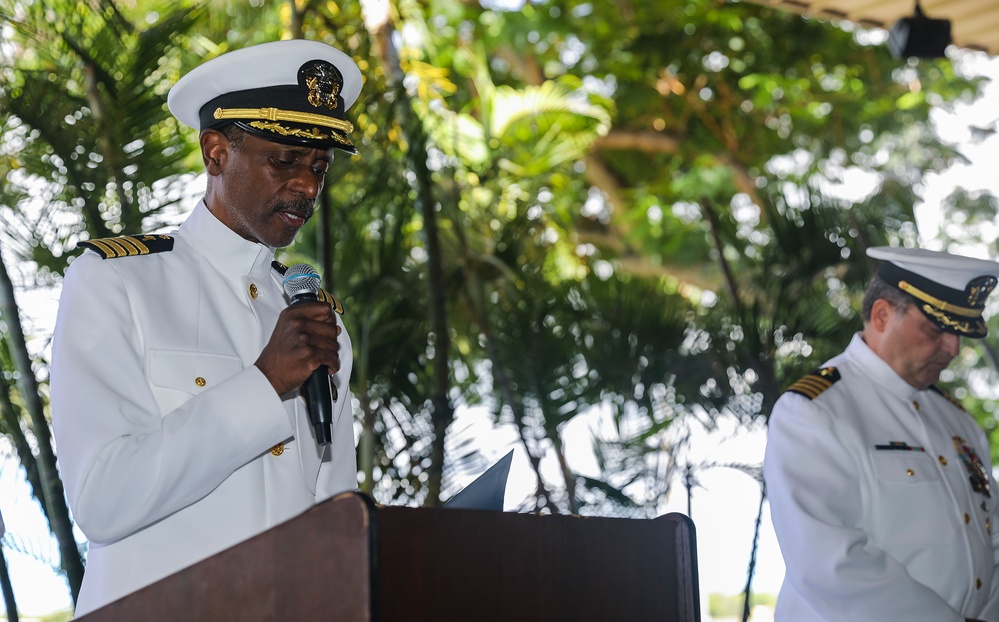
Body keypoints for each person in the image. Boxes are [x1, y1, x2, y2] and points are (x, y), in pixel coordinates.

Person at [50, 39, 361, 616]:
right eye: (285, 161)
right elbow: (103, 499)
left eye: (319, 166)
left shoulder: (320, 321)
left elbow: (335, 511)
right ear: (216, 151)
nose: (309, 187)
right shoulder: (116, 282)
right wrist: (263, 385)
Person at [765, 246, 999, 621]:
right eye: (937, 328)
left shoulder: (959, 422)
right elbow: (829, 563)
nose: (953, 348)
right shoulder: (815, 412)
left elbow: (993, 540)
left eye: (959, 333)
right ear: (882, 315)